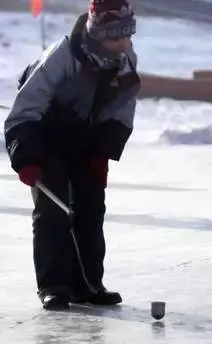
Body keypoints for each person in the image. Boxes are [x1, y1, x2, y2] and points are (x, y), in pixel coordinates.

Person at [3, 0, 140, 310]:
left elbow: (123, 108)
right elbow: (24, 110)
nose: (122, 44)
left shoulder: (125, 58)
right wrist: (26, 157)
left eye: (126, 36)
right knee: (54, 210)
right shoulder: (62, 56)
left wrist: (103, 152)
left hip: (85, 140)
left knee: (91, 207)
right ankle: (54, 285)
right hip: (46, 137)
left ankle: (88, 284)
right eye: (114, 37)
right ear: (96, 33)